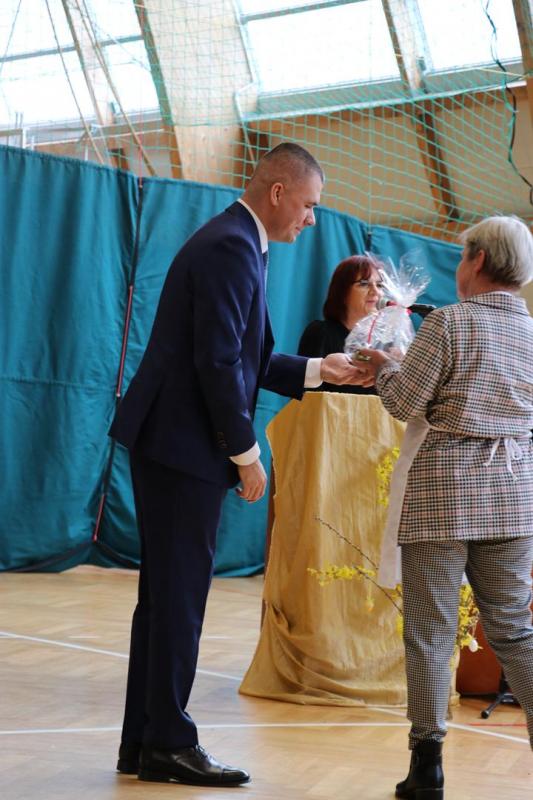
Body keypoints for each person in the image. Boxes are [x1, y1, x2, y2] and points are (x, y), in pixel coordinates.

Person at [109, 142, 364, 787]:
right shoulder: (231, 246)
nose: (311, 218)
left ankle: (145, 742)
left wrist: (321, 369)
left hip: (171, 442)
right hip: (182, 445)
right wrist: (246, 454)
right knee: (179, 600)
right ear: (278, 192)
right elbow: (219, 363)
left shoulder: (238, 241)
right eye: (308, 204)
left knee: (164, 599)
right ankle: (168, 742)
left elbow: (248, 357)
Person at [353, 215, 533, 799]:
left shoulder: (448, 323)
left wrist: (386, 367)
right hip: (514, 494)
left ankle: (427, 767)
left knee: (431, 631)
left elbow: (405, 403)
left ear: (477, 260)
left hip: (444, 495)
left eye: (461, 257)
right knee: (514, 629)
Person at [297, 254, 384, 394]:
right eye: (363, 284)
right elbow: (307, 395)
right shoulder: (321, 332)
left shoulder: (382, 343)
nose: (375, 291)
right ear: (342, 291)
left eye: (379, 285)